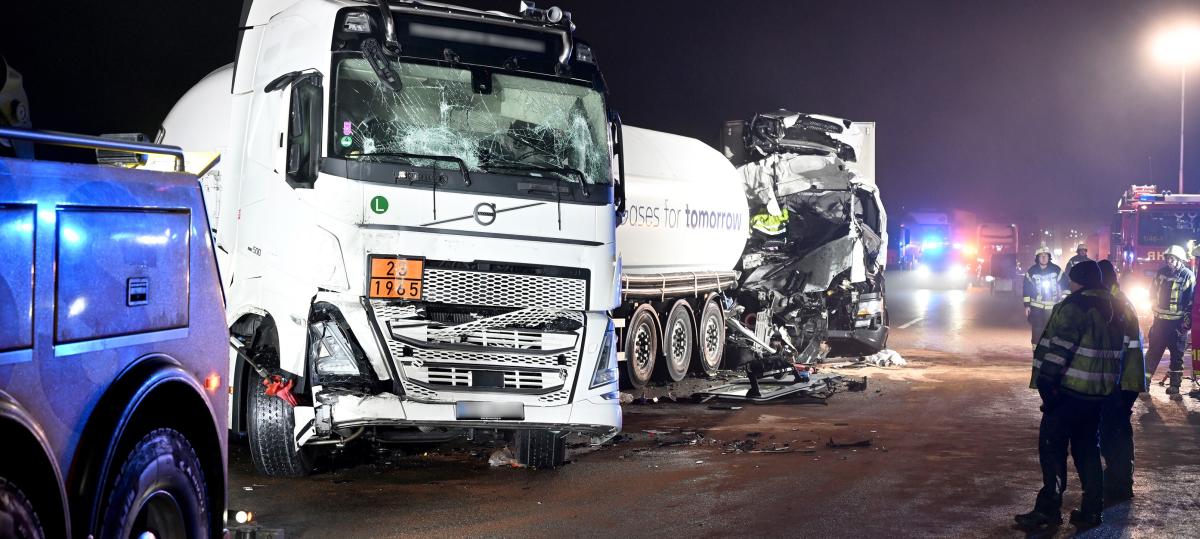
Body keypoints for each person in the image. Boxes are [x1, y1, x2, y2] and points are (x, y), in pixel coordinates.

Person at [1015, 260, 1126, 530]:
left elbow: (1059, 349)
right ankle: (1092, 510)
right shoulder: (1115, 306)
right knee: (1087, 450)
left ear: (1079, 281)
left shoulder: (1076, 306)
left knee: (1052, 448)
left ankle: (1048, 510)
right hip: (1096, 395)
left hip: (1068, 392)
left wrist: (1047, 383)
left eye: (1072, 280)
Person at [1097, 259, 1148, 503]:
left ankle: (1119, 484)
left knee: (1114, 431)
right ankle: (1120, 479)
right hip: (1127, 380)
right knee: (1117, 430)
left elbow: (1112, 350)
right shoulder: (1119, 300)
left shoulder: (1114, 304)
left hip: (1120, 382)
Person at [1145, 244, 1194, 396]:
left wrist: (1186, 322)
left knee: (1177, 357)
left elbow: (1190, 300)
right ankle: (1144, 384)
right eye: (1167, 259)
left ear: (1180, 260)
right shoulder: (1161, 273)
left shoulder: (1187, 275)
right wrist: (1153, 306)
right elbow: (1152, 291)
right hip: (1160, 322)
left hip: (1177, 324)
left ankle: (1174, 387)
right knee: (1153, 353)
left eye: (1172, 259)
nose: (1169, 262)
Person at [1024, 246, 1063, 346]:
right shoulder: (1031, 271)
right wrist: (1027, 306)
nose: (1044, 257)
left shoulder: (1056, 270)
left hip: (1052, 306)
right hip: (1036, 306)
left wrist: (1064, 299)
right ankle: (1036, 349)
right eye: (1041, 255)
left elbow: (1065, 284)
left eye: (1046, 255)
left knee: (1050, 329)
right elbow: (1026, 289)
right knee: (1037, 328)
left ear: (1049, 257)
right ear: (1037, 258)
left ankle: (1048, 349)